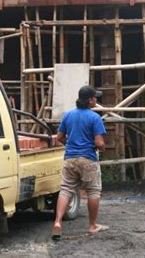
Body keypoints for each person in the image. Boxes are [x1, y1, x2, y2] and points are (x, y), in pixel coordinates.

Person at [51, 85, 108, 240]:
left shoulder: (68, 115)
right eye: (95, 97)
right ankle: (92, 225)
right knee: (93, 191)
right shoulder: (95, 118)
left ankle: (57, 223)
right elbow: (98, 142)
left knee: (66, 189)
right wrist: (103, 147)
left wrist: (71, 145)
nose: (96, 100)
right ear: (90, 100)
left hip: (69, 158)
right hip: (88, 158)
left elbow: (60, 138)